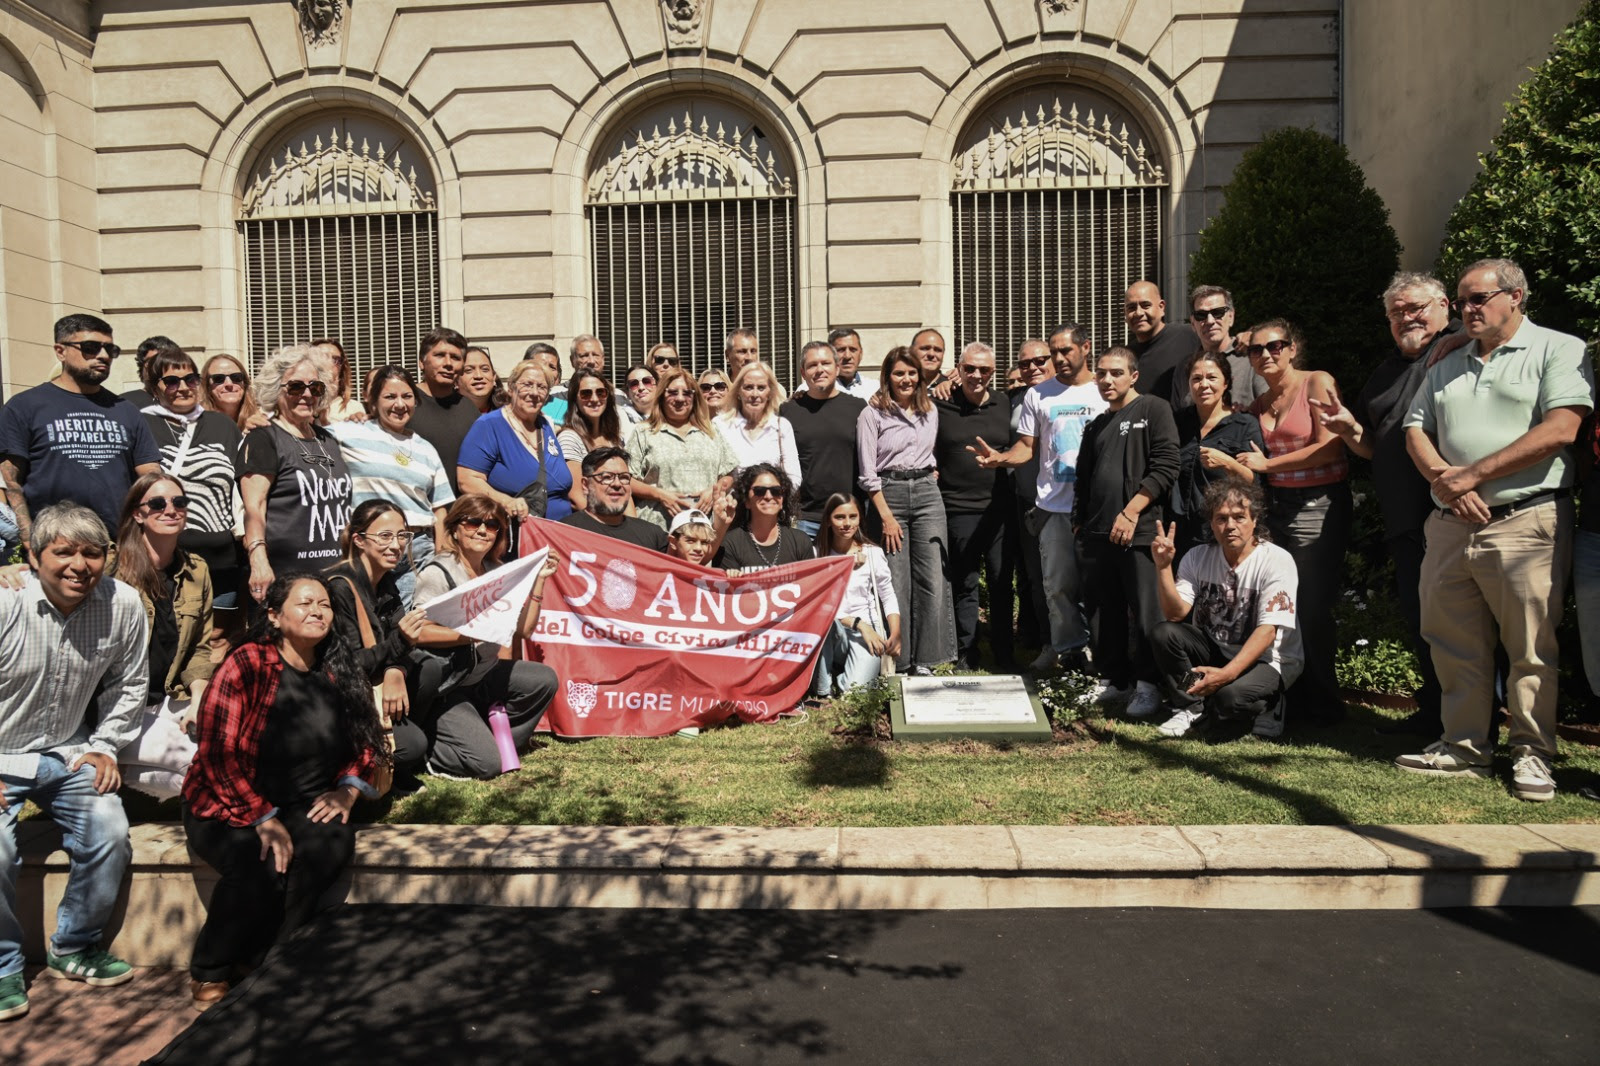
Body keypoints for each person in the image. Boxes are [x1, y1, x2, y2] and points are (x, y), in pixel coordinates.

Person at [1397, 258, 1594, 803]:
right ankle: (1464, 746)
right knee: (1453, 641)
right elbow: (1415, 429)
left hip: (1525, 520)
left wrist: (1473, 476)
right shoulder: (1449, 361)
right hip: (1450, 524)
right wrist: (1447, 484)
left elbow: (1562, 428)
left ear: (1516, 296)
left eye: (1478, 298)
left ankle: (1532, 753)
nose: (1467, 309)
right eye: (1462, 300)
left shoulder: (1558, 349)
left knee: (1531, 646)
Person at [180, 572, 386, 1011]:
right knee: (257, 863)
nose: (317, 611)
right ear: (273, 615)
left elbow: (367, 740)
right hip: (228, 800)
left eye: (324, 605)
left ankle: (266, 961)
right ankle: (212, 967)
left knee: (329, 845)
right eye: (305, 603)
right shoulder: (247, 664)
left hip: (302, 802)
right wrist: (262, 818)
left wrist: (348, 790)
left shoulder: (339, 665)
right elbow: (217, 752)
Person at [0, 503, 147, 1020]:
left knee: (109, 829)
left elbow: (130, 683)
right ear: (34, 556)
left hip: (67, 750)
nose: (79, 566)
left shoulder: (122, 603)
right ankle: (3, 967)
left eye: (92, 553)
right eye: (64, 552)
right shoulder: (6, 602)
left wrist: (105, 745)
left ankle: (75, 945)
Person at [1314, 272, 1463, 738]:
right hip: (1406, 520)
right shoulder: (1385, 373)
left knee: (1467, 624)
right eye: (1397, 312)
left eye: (1416, 308)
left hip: (1457, 513)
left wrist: (1458, 335)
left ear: (1445, 306)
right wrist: (1349, 429)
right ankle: (1436, 712)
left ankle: (1473, 721)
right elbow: (1372, 446)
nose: (1407, 318)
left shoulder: (1462, 350)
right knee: (1423, 620)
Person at [1234, 320, 1350, 730]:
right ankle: (1288, 697)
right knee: (1278, 606)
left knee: (1312, 607)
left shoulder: (1316, 383)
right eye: (1256, 349)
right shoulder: (1258, 405)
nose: (1266, 354)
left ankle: (1324, 704)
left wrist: (1270, 465)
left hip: (1317, 504)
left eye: (1275, 346)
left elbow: (1331, 446)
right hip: (1275, 508)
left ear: (1292, 348)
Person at [972, 324, 1105, 672]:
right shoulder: (1038, 395)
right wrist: (1000, 459)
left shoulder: (1103, 390)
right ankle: (1067, 652)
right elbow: (1026, 447)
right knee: (1057, 586)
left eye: (1065, 351)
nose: (1059, 359)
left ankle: (1104, 656)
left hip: (1097, 507)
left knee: (1100, 586)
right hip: (1054, 506)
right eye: (1054, 352)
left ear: (1086, 348)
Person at [411, 495, 559, 779]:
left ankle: (498, 742)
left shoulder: (495, 571)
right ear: (455, 529)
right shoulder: (437, 572)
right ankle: (429, 749)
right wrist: (468, 635)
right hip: (450, 685)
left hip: (483, 675)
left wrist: (540, 580)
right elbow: (418, 632)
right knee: (488, 765)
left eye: (492, 525)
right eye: (473, 522)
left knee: (543, 680)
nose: (482, 530)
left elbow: (524, 630)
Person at [1148, 479, 1303, 738]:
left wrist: (1227, 675)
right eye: (1221, 518)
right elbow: (1175, 614)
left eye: (1239, 517)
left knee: (1229, 699)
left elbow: (1267, 631)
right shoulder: (1197, 556)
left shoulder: (1276, 560)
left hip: (1271, 660)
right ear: (1211, 523)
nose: (1230, 525)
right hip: (1220, 649)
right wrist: (1163, 567)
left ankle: (1272, 703)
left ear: (1254, 520)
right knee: (1164, 633)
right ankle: (1192, 706)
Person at [1073, 346, 1180, 719]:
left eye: (1116, 372)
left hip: (1140, 532)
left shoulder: (1153, 409)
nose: (1107, 380)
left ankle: (1148, 685)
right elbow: (1083, 480)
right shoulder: (1095, 425)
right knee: (1103, 612)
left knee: (1148, 612)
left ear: (1134, 376)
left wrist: (1131, 512)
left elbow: (1167, 466)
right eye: (1101, 373)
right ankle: (1114, 680)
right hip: (1096, 534)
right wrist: (1079, 523)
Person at [0, 313, 163, 546]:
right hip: (53, 547)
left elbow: (150, 477)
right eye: (90, 348)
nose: (103, 356)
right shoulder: (24, 406)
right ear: (60, 351)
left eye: (110, 349)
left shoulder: (126, 410)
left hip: (118, 545)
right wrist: (27, 538)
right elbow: (10, 481)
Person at [110, 474, 214, 799]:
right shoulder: (110, 568)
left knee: (229, 749)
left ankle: (119, 772)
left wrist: (199, 701)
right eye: (157, 503)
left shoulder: (197, 570)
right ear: (137, 514)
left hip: (171, 699)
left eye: (179, 502)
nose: (170, 510)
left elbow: (200, 648)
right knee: (200, 763)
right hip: (119, 707)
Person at [139, 346, 245, 651]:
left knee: (217, 642)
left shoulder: (222, 425)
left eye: (191, 379)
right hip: (165, 560)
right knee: (169, 642)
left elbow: (241, 485)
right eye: (172, 381)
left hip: (222, 560)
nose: (183, 387)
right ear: (155, 388)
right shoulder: (141, 424)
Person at [858, 346, 954, 674]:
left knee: (932, 577)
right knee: (895, 579)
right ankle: (899, 659)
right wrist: (885, 517)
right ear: (887, 376)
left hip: (927, 493)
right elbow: (867, 472)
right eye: (899, 373)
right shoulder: (872, 414)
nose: (906, 379)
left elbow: (931, 452)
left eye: (912, 373)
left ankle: (927, 659)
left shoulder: (930, 410)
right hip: (889, 495)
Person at [327, 365, 454, 607]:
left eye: (407, 396)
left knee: (410, 620)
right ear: (373, 401)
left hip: (417, 550)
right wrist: (256, 421)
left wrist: (441, 555)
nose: (399, 404)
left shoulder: (426, 448)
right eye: (389, 396)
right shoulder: (349, 432)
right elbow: (300, 433)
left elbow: (439, 508)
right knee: (366, 615)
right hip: (370, 547)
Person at [240, 344, 353, 603]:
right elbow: (254, 507)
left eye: (315, 387)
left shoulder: (328, 440)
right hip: (287, 579)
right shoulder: (264, 438)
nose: (306, 394)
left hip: (337, 577)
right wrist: (258, 561)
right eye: (295, 387)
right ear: (276, 389)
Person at [934, 341, 1014, 669]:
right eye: (969, 368)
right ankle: (967, 651)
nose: (976, 375)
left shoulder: (1005, 403)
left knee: (1000, 582)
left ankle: (1004, 653)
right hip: (957, 508)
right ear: (959, 369)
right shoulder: (941, 403)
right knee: (965, 583)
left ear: (993, 372)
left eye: (984, 369)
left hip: (999, 509)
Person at [457, 360, 576, 533]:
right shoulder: (489, 425)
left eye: (542, 387)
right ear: (511, 388)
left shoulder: (545, 425)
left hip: (559, 534)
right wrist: (506, 502)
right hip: (517, 534)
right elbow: (467, 480)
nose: (534, 392)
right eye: (527, 385)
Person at [1171, 352, 1264, 553]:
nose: (1204, 384)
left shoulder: (1244, 425)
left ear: (1226, 383)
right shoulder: (1176, 423)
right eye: (1196, 379)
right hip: (1178, 532)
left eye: (1212, 378)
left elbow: (1255, 482)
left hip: (1223, 533)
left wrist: (1228, 463)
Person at [812, 493, 900, 697]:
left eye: (853, 516)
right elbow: (817, 605)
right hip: (836, 628)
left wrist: (896, 633)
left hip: (868, 632)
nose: (847, 523)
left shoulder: (872, 553)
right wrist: (859, 624)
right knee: (824, 625)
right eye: (839, 517)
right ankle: (824, 691)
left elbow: (887, 594)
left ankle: (842, 675)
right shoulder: (817, 554)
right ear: (828, 521)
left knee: (854, 694)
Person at [629, 366, 737, 531]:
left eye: (687, 393)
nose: (680, 398)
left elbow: (730, 473)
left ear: (694, 397)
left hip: (702, 532)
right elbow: (627, 479)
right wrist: (660, 495)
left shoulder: (710, 431)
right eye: (672, 392)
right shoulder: (644, 432)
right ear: (661, 396)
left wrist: (713, 491)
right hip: (657, 528)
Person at [781, 341, 867, 538]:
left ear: (837, 368)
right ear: (803, 373)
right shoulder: (788, 411)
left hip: (849, 517)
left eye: (826, 363)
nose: (820, 370)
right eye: (812, 365)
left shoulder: (858, 408)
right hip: (804, 518)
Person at [1003, 339, 1054, 649]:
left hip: (1064, 502)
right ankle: (1047, 643)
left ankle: (1079, 647)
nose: (1032, 367)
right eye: (1024, 364)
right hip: (1027, 500)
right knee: (1035, 576)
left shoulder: (1070, 393)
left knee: (1067, 578)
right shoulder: (1015, 399)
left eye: (1040, 360)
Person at [407, 328, 480, 494]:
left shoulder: (469, 409)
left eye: (455, 358)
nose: (448, 363)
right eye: (439, 355)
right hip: (415, 505)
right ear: (421, 362)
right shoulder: (404, 403)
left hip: (459, 507)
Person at [712, 463, 813, 574]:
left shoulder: (801, 541)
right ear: (746, 500)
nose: (768, 496)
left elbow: (810, 582)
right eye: (759, 491)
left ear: (782, 500)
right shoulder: (730, 543)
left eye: (776, 491)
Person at [561, 447, 667, 550]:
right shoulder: (563, 533)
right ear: (585, 485)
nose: (617, 484)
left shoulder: (653, 537)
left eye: (624, 477)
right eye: (607, 477)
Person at [717, 361, 801, 488]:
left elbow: (794, 477)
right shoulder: (720, 425)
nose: (755, 394)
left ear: (770, 393)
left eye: (761, 388)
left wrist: (773, 495)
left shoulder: (782, 427)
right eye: (748, 387)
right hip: (732, 500)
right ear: (738, 391)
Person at [1182, 286, 1266, 411]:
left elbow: (1270, 408)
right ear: (1193, 323)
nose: (1210, 321)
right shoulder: (1185, 366)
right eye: (1201, 315)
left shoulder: (1251, 358)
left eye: (1218, 313)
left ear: (1231, 317)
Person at [558, 369, 627, 514]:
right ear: (575, 399)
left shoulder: (613, 440)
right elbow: (577, 497)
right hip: (591, 521)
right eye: (586, 394)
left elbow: (625, 490)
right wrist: (606, 525)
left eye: (601, 392)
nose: (595, 399)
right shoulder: (569, 438)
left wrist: (632, 525)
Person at [1125, 280, 1202, 407]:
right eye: (1131, 307)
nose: (1138, 313)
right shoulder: (1126, 357)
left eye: (1145, 305)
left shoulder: (1190, 335)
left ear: (1161, 307)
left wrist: (1240, 338)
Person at [200, 353, 268, 433]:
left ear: (244, 383)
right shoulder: (197, 425)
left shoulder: (260, 420)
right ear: (207, 386)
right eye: (218, 378)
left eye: (236, 377)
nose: (229, 384)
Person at [311, 339, 363, 423]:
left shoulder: (354, 408)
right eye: (322, 357)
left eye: (336, 359)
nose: (329, 362)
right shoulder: (299, 403)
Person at [120, 336, 182, 406]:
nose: (158, 366)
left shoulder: (186, 401)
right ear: (142, 366)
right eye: (152, 361)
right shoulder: (123, 403)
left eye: (165, 361)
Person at [827, 328, 875, 398]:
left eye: (853, 350)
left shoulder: (875, 389)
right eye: (841, 350)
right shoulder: (818, 390)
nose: (847, 356)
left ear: (861, 354)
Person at [460, 346, 508, 415]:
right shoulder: (446, 414)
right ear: (456, 380)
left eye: (485, 369)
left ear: (494, 376)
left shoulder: (510, 413)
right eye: (469, 370)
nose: (478, 376)